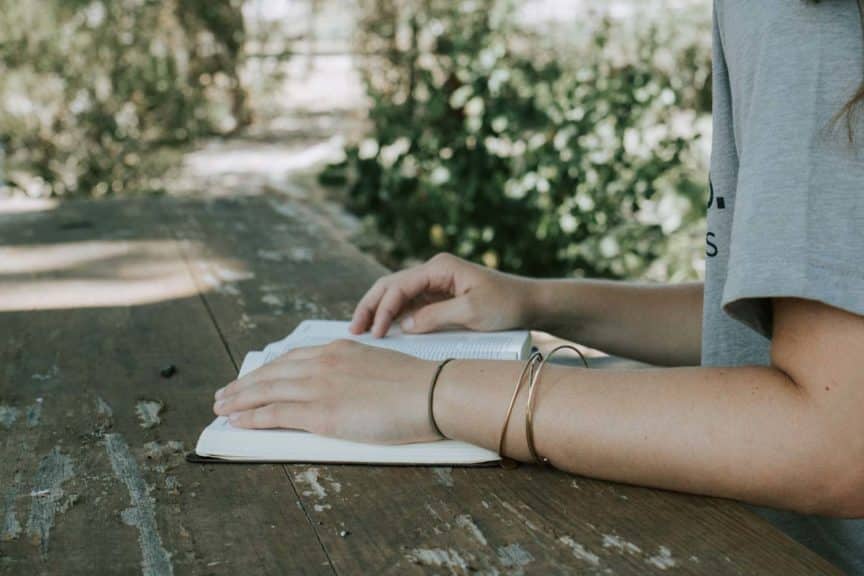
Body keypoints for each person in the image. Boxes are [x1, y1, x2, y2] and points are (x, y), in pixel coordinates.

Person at [212, 1, 864, 572]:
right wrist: (537, 301)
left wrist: (433, 391)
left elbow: (837, 440)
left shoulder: (802, 16)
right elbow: (793, 338)